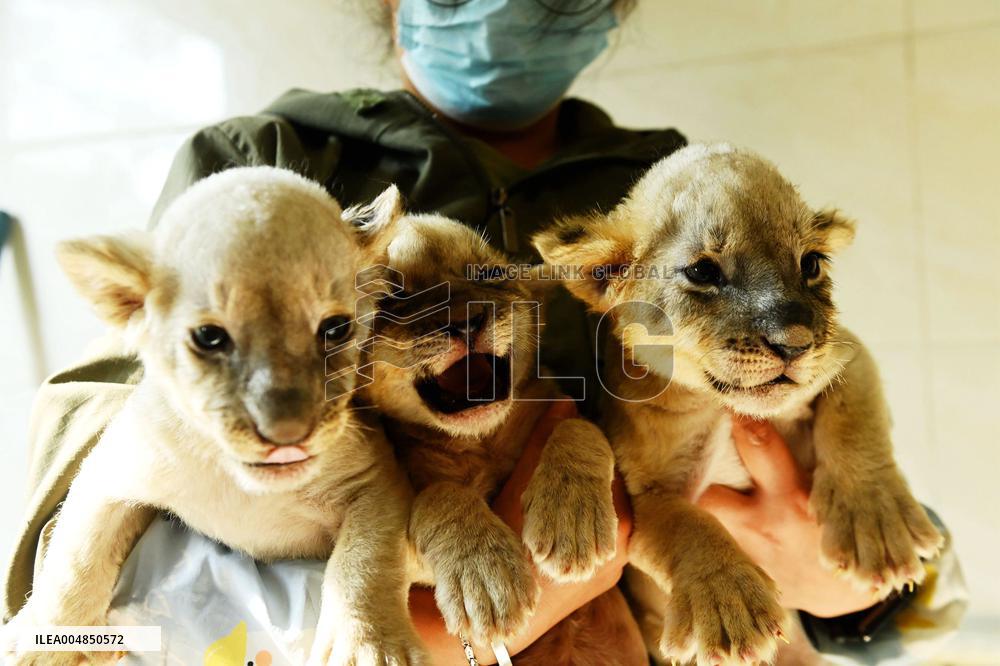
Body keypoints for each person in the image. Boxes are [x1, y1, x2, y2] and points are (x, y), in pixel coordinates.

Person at [3, 0, 966, 663]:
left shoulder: (662, 184)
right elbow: (89, 498)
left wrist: (859, 599)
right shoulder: (267, 168)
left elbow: (815, 441)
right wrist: (399, 622)